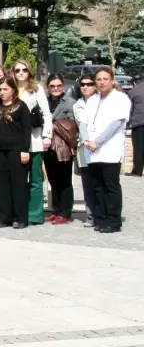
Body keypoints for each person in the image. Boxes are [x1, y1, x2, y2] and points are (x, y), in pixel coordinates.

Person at [82, 67, 128, 234]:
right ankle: (100, 218)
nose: (102, 82)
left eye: (105, 79)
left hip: (109, 150)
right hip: (92, 150)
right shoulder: (93, 100)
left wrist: (98, 142)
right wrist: (87, 140)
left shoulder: (120, 99)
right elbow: (84, 122)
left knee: (110, 186)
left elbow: (116, 124)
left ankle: (113, 220)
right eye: (99, 79)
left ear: (112, 80)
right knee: (97, 186)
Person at [0, 78, 33, 229]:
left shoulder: (21, 107)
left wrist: (25, 150)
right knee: (2, 185)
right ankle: (4, 216)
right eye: (0, 89)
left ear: (13, 90)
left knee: (18, 185)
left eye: (5, 89)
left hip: (16, 150)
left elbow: (27, 130)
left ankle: (20, 217)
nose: (2, 92)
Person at [12, 61, 52, 225]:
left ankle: (35, 214)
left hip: (34, 140)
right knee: (18, 180)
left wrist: (47, 135)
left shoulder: (36, 89)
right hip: (14, 141)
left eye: (24, 70)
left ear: (29, 71)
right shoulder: (10, 88)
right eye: (17, 70)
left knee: (36, 179)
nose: (21, 73)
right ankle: (19, 212)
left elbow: (46, 113)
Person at [44, 74, 78, 225]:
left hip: (63, 146)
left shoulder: (70, 103)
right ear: (48, 87)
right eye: (52, 86)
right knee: (53, 179)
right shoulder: (45, 101)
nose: (56, 89)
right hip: (48, 146)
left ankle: (65, 211)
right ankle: (56, 209)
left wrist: (56, 124)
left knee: (64, 180)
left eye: (58, 86)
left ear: (63, 86)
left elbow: (73, 124)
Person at [72, 74, 99, 228]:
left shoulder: (100, 101)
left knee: (100, 183)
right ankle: (90, 215)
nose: (86, 87)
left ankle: (102, 214)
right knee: (87, 183)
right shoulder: (77, 105)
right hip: (83, 149)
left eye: (89, 84)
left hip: (98, 148)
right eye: (83, 84)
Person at [128, 73, 144, 178]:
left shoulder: (132, 92)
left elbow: (129, 109)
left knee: (138, 148)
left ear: (134, 82)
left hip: (139, 123)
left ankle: (137, 170)